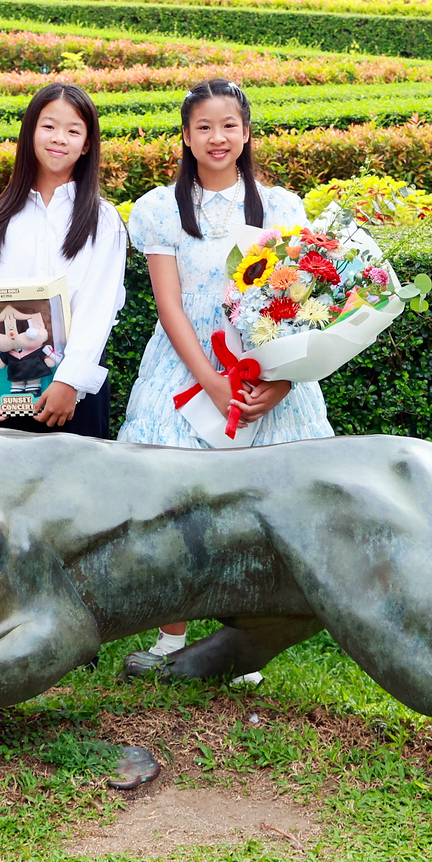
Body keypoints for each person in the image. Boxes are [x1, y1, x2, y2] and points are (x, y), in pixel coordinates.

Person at [117, 78, 333, 670]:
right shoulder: (161, 209)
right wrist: (211, 383)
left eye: (229, 126)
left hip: (267, 366)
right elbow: (170, 306)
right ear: (186, 137)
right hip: (184, 363)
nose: (218, 137)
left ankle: (241, 646)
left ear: (246, 133)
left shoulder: (282, 207)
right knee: (175, 497)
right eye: (204, 127)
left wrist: (282, 381)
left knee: (259, 502)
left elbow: (298, 300)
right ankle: (170, 636)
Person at [0, 83, 125, 438]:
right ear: (30, 133)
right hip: (1, 387)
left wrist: (70, 380)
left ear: (87, 144)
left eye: (73, 131)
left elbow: (99, 306)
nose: (59, 138)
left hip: (71, 394)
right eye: (48, 126)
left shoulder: (102, 220)